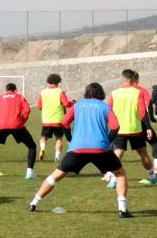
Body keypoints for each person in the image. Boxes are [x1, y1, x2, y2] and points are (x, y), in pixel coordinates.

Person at [28, 82, 132, 218]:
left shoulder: (77, 106)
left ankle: (34, 203)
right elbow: (116, 126)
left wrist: (70, 138)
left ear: (86, 93)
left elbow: (65, 123)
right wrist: (107, 140)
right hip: (100, 149)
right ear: (101, 94)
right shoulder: (105, 107)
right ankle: (122, 210)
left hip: (77, 148)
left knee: (56, 175)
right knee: (119, 173)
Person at [108, 69, 157, 185]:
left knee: (118, 153)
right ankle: (152, 176)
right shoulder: (138, 93)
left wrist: (111, 125)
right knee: (143, 153)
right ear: (133, 79)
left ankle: (112, 179)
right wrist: (148, 128)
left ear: (123, 78)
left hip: (119, 129)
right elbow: (143, 113)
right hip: (135, 129)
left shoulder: (114, 93)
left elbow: (108, 110)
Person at [37, 73, 73, 163]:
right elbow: (66, 104)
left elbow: (39, 106)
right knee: (59, 138)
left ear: (48, 82)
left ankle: (42, 148)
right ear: (58, 82)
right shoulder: (60, 91)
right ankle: (57, 157)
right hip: (58, 120)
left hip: (46, 120)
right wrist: (72, 102)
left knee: (44, 137)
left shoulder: (42, 92)